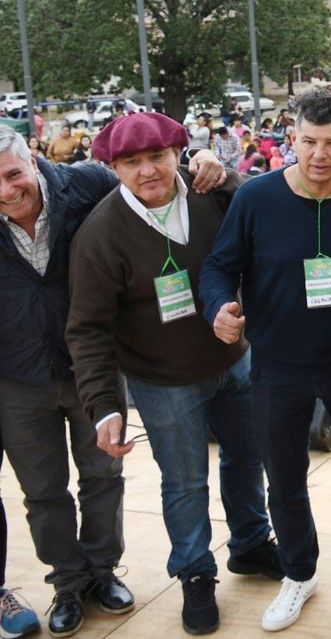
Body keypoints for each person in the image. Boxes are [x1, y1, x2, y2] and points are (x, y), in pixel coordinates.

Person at [200, 87, 331, 633]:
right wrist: (217, 309)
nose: (320, 155)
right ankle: (298, 573)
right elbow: (218, 267)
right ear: (290, 140)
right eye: (310, 142)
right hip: (276, 365)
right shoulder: (255, 198)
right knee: (285, 480)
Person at [0, 124, 225, 637]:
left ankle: (102, 572)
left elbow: (151, 185)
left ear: (32, 162)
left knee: (103, 476)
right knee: (43, 492)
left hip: (90, 367)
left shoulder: (85, 185)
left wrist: (205, 159)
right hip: (18, 376)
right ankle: (68, 582)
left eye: (14, 175)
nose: (7, 192)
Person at [64, 113, 282, 634]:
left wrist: (226, 172)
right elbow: (88, 330)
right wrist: (104, 407)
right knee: (184, 482)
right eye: (131, 162)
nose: (147, 171)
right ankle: (195, 573)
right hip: (163, 381)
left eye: (157, 156)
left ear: (179, 152)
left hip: (235, 358)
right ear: (112, 167)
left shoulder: (210, 192)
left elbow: (267, 206)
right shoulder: (100, 234)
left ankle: (250, 544)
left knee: (248, 456)